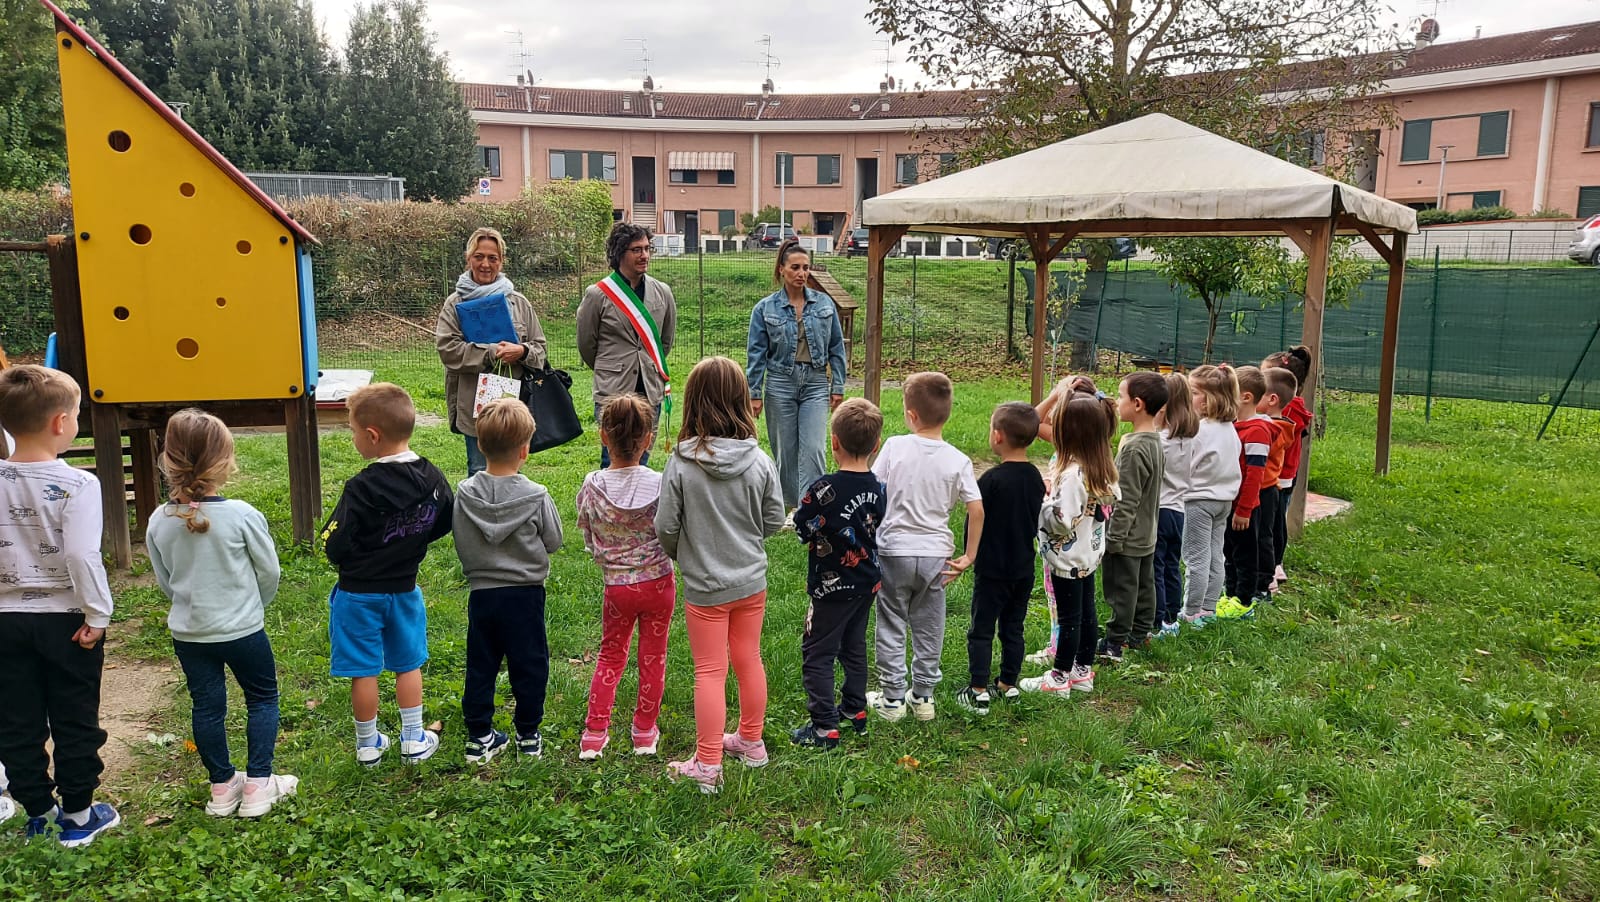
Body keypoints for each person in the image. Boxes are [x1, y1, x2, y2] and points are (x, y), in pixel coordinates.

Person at [146, 409, 296, 818]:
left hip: (190, 635)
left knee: (206, 706)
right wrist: (253, 607)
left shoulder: (159, 521)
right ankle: (258, 785)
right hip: (244, 630)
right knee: (262, 699)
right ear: (226, 461)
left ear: (167, 459)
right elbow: (269, 572)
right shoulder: (244, 516)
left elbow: (165, 580)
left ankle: (222, 785)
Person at [0, 365, 120, 846]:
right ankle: (77, 815)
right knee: (74, 714)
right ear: (59, 424)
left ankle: (37, 812)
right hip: (67, 622)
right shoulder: (79, 485)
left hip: (5, 621)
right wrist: (98, 613)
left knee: (16, 718)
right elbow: (80, 554)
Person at [656, 357, 786, 793]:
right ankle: (751, 741)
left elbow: (665, 526)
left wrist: (684, 555)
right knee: (749, 659)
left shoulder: (681, 463)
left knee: (709, 670)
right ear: (741, 401)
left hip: (705, 588)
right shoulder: (760, 461)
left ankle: (708, 764)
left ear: (693, 403)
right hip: (751, 582)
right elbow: (772, 520)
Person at [321, 383, 454, 766]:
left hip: (357, 594)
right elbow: (445, 517)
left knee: (364, 670)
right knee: (406, 663)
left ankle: (368, 745)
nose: (352, 437)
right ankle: (413, 738)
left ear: (372, 436)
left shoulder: (360, 487)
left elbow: (335, 540)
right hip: (404, 589)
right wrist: (414, 540)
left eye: (352, 430)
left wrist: (347, 559)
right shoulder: (431, 476)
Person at [865, 372, 984, 723]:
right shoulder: (958, 459)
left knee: (891, 623)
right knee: (930, 625)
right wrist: (970, 555)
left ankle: (892, 699)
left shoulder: (894, 447)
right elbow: (976, 508)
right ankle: (923, 697)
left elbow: (875, 491)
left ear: (911, 415)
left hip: (893, 552)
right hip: (936, 556)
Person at [451, 399, 563, 763]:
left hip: (483, 595)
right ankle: (528, 734)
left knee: (481, 664)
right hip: (526, 595)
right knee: (530, 664)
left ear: (480, 444)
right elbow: (555, 540)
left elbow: (460, 537)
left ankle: (479, 735)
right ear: (525, 449)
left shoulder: (464, 493)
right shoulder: (536, 496)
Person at [577, 394, 675, 760]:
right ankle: (644, 733)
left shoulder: (593, 485)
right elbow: (670, 529)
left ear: (603, 436)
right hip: (659, 585)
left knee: (610, 656)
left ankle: (594, 733)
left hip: (617, 587)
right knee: (653, 657)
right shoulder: (662, 483)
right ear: (648, 438)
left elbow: (587, 530)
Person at [790, 398, 885, 748]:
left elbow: (802, 528)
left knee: (817, 652)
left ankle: (824, 725)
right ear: (876, 445)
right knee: (854, 646)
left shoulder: (822, 490)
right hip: (867, 582)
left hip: (831, 588)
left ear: (833, 441)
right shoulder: (879, 487)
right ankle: (855, 711)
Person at [1020, 391, 1119, 695]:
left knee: (1070, 618)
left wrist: (1044, 504)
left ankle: (1059, 677)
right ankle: (1082, 671)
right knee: (1087, 613)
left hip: (1067, 558)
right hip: (1088, 555)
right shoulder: (1102, 469)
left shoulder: (1073, 475)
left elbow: (1062, 520)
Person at [437, 227, 548, 476]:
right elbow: (448, 350)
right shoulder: (455, 304)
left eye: (492, 258)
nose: (485, 264)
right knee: (479, 471)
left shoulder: (519, 303)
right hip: (474, 409)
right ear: (468, 258)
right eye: (479, 256)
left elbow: (540, 349)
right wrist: (490, 352)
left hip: (514, 408)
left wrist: (522, 351)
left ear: (501, 261)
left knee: (513, 472)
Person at [746, 239, 848, 509]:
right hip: (780, 383)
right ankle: (790, 506)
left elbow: (837, 346)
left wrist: (837, 384)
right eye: (795, 267)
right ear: (782, 270)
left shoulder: (824, 304)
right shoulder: (764, 309)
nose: (802, 273)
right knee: (786, 452)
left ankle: (813, 506)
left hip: (815, 382)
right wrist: (754, 393)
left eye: (806, 268)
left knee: (814, 447)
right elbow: (756, 354)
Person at [957, 402, 1045, 714]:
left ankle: (978, 688)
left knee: (982, 627)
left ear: (997, 436)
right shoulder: (1036, 477)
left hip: (992, 569)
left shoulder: (990, 480)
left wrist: (971, 551)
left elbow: (974, 520)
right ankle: (1008, 683)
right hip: (1023, 567)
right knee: (1013, 627)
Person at [578, 223, 677, 468]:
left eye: (646, 248)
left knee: (642, 458)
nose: (644, 255)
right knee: (611, 459)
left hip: (649, 387)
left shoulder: (662, 292)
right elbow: (587, 344)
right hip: (613, 389)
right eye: (636, 250)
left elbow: (665, 340)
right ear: (619, 253)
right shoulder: (598, 294)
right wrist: (611, 367)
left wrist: (647, 363)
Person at [1026, 374, 1100, 667]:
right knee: (1083, 608)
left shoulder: (1072, 452)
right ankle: (1081, 663)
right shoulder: (1091, 445)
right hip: (1087, 548)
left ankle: (1061, 657)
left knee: (1066, 606)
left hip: (1065, 546)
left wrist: (1056, 395)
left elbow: (1029, 425)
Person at [1097, 372, 1167, 662]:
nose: (1116, 401)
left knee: (1122, 589)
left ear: (1137, 404)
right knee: (1144, 585)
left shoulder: (1135, 448)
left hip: (1127, 536)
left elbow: (1126, 500)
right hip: (1147, 532)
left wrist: (1113, 539)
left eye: (1120, 395)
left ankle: (1115, 642)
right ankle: (1139, 634)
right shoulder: (1153, 440)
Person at [1180, 366, 1243, 625]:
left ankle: (1190, 611)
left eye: (1193, 393)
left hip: (1198, 501)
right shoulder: (1230, 429)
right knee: (1216, 554)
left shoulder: (1199, 431)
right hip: (1224, 502)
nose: (1188, 398)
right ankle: (1208, 608)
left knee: (1196, 557)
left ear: (1207, 401)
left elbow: (1185, 465)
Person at [1220, 366, 1276, 619]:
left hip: (1244, 507)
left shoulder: (1257, 431)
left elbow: (1255, 475)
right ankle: (1229, 594)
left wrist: (1243, 510)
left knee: (1244, 555)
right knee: (1229, 553)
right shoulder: (1233, 425)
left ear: (1246, 397)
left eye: (1229, 392)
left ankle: (1244, 600)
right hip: (1228, 503)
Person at [1262, 347, 1314, 587]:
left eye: (1263, 378)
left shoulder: (1285, 410)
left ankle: (1273, 565)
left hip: (1278, 474)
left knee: (1272, 522)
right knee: (1277, 520)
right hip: (1287, 474)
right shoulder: (1296, 406)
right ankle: (1276, 564)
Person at [1153, 373, 1198, 637]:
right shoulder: (1188, 438)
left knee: (1156, 567)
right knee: (1171, 565)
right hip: (1179, 510)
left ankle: (1157, 621)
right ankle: (1171, 617)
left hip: (1159, 509)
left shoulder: (1160, 442)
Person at [1252, 368, 1300, 602]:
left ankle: (1264, 584)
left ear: (1272, 400)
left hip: (1264, 490)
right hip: (1265, 490)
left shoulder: (1272, 429)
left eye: (1256, 394)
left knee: (1263, 538)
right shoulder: (1272, 424)